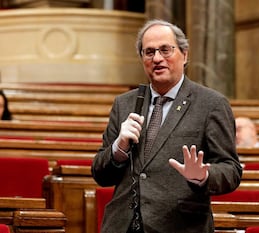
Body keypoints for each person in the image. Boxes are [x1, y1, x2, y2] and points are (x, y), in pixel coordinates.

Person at [92, 19, 242, 233]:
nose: (157, 58)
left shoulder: (211, 104)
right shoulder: (124, 103)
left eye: (165, 50)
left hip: (180, 225)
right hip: (122, 225)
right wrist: (119, 149)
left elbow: (231, 169)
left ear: (185, 55)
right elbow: (101, 175)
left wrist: (204, 175)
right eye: (149, 52)